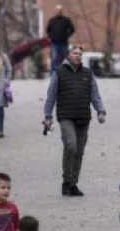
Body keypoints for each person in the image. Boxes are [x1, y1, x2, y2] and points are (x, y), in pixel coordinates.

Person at [43, 44, 106, 197]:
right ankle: (66, 181)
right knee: (71, 146)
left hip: (84, 118)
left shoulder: (88, 73)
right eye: (74, 53)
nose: (78, 55)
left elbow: (95, 95)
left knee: (79, 152)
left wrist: (100, 111)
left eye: (80, 53)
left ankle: (73, 184)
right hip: (66, 117)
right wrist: (48, 117)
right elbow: (51, 96)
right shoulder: (59, 73)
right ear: (68, 55)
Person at [46, 4, 75, 71]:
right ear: (55, 11)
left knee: (65, 57)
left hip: (63, 42)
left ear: (62, 11)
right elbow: (48, 30)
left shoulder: (66, 20)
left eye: (60, 10)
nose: (59, 11)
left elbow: (72, 29)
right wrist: (51, 36)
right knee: (54, 58)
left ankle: (66, 71)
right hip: (54, 42)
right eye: (57, 10)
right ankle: (54, 72)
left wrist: (66, 36)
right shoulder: (52, 20)